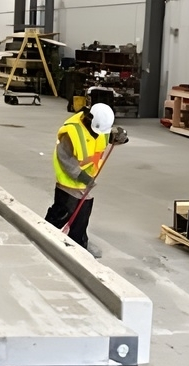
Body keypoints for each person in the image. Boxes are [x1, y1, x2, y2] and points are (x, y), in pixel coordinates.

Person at [43, 102, 127, 253]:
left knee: (82, 217)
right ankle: (44, 237)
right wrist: (82, 177)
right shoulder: (72, 132)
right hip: (68, 183)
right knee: (62, 213)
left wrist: (119, 137)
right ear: (89, 119)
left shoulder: (99, 127)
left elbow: (107, 136)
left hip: (86, 183)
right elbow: (65, 160)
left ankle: (79, 245)